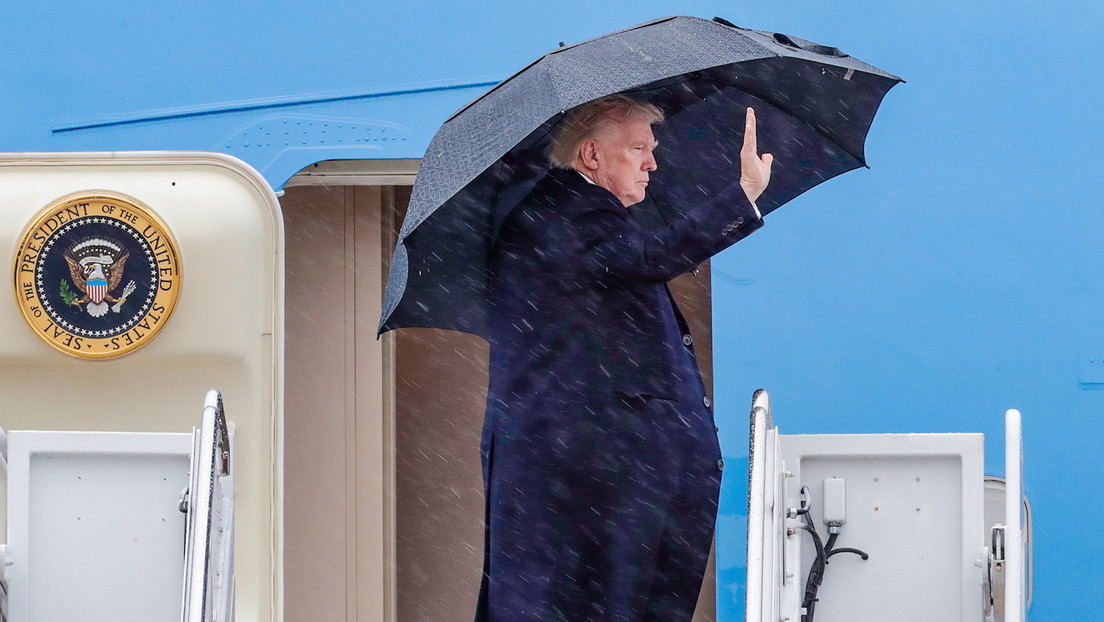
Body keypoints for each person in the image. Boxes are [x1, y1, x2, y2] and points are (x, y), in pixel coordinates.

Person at [477, 95, 772, 622]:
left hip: (595, 473)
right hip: (593, 476)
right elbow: (647, 259)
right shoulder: (569, 210)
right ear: (591, 156)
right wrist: (742, 195)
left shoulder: (582, 215)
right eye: (638, 148)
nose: (652, 163)